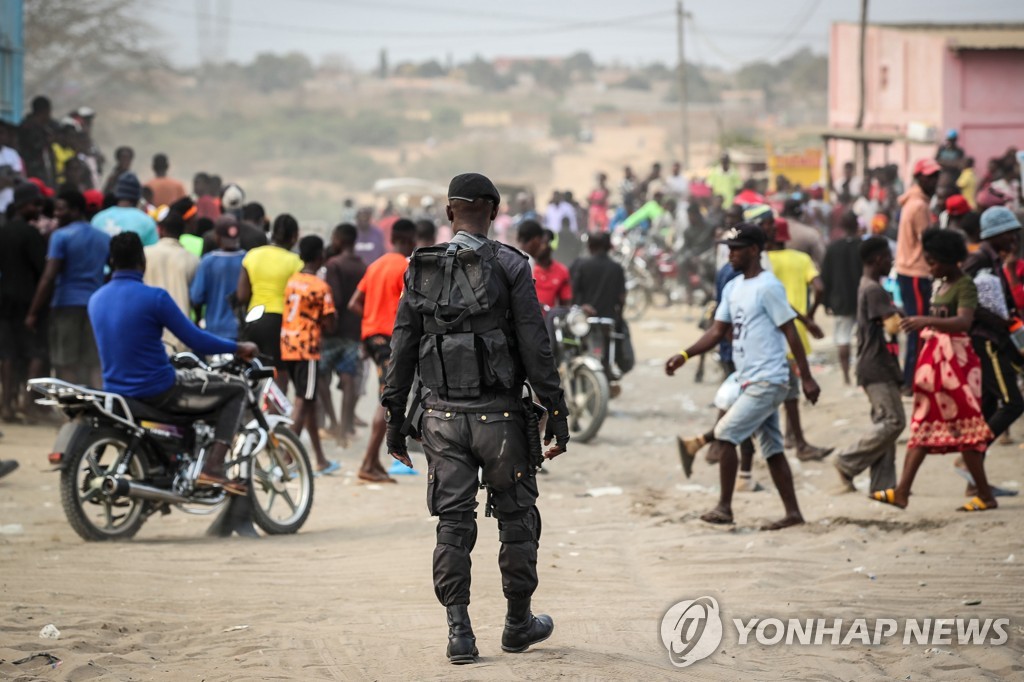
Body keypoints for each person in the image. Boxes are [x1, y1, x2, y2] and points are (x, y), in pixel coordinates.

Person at [383, 173, 569, 664]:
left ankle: (460, 634)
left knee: (453, 524)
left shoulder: (418, 268)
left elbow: (402, 346)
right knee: (517, 519)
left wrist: (393, 420)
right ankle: (517, 624)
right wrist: (557, 411)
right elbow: (536, 345)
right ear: (494, 209)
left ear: (449, 212)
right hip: (502, 418)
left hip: (440, 419)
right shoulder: (511, 264)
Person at [666, 223, 821, 530]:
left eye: (736, 249)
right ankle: (793, 513)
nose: (730, 254)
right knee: (773, 449)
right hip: (748, 378)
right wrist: (685, 355)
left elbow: (789, 330)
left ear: (754, 250)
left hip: (770, 379)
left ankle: (724, 507)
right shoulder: (734, 288)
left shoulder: (768, 286)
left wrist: (806, 377)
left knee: (725, 436)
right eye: (729, 248)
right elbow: (717, 331)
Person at [90, 232, 259, 495]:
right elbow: (196, 339)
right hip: (159, 390)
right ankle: (213, 467)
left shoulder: (96, 299)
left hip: (116, 389)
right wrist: (238, 348)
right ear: (141, 261)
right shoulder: (154, 298)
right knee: (236, 388)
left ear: (111, 261)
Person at [871, 229, 995, 512]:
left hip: (957, 366)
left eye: (935, 261)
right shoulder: (939, 285)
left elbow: (964, 322)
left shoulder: (964, 285)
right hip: (937, 366)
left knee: (964, 429)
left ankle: (985, 495)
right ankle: (902, 491)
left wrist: (925, 321)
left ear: (951, 260)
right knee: (925, 426)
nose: (931, 267)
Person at [753, 208, 830, 461]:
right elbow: (819, 288)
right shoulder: (800, 259)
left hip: (774, 330)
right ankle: (796, 442)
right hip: (793, 330)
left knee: (789, 390)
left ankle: (790, 439)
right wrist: (809, 316)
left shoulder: (762, 263)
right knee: (791, 390)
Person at [832, 237, 904, 495]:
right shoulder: (874, 289)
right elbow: (892, 325)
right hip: (876, 366)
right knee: (893, 422)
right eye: (887, 257)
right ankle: (847, 460)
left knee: (884, 425)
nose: (891, 261)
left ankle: (883, 486)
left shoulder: (869, 286)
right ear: (876, 259)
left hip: (876, 364)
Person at [348, 219, 416, 483]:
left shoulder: (375, 265)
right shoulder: (406, 267)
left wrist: (370, 323)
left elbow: (355, 303)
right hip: (391, 340)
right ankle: (367, 462)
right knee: (387, 400)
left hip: (372, 338)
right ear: (411, 241)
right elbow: (410, 308)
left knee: (385, 397)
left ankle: (373, 461)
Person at [25, 189, 110, 387]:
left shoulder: (60, 237)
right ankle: (100, 411)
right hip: (95, 307)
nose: (56, 213)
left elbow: (49, 276)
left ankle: (72, 411)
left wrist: (33, 312)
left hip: (66, 306)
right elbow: (111, 272)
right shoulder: (103, 238)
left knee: (66, 362)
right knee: (94, 363)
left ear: (75, 210)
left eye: (61, 209)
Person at [961, 207, 1024, 464]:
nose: (1014, 240)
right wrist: (997, 320)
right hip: (985, 338)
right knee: (1012, 403)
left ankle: (975, 479)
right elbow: (966, 301)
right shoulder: (979, 261)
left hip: (998, 336)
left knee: (988, 406)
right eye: (1010, 235)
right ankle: (972, 456)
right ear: (995, 235)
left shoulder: (995, 259)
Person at [281, 235, 339, 475]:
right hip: (308, 347)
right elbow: (330, 322)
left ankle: (320, 459)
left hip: (287, 345)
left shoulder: (292, 281)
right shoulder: (320, 287)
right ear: (321, 257)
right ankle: (286, 457)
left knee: (308, 401)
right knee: (303, 403)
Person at [0, 183, 47, 421]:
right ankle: (27, 404)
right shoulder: (30, 234)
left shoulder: (4, 230)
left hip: (4, 300)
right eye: (35, 204)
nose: (38, 208)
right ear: (22, 205)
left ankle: (6, 405)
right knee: (34, 352)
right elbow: (42, 270)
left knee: (7, 354)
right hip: (27, 302)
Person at [237, 214, 302, 380]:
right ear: (294, 237)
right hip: (279, 321)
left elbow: (242, 295)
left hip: (253, 319)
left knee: (252, 370)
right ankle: (274, 406)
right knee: (279, 373)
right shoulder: (295, 262)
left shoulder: (252, 255)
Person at [895, 158, 941, 392]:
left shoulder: (913, 202)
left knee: (918, 328)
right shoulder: (919, 206)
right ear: (920, 177)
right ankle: (912, 381)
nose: (934, 181)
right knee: (920, 328)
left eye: (935, 176)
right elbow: (928, 243)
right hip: (916, 272)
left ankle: (912, 379)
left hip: (909, 272)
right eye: (930, 176)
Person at [322, 223, 367, 445]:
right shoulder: (362, 266)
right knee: (349, 378)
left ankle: (332, 422)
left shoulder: (333, 264)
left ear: (339, 239)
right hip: (354, 330)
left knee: (322, 378)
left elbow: (335, 299)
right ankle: (345, 427)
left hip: (332, 332)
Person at [144, 212, 200, 353]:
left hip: (151, 331)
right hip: (181, 335)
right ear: (183, 232)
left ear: (161, 230)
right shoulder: (192, 259)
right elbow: (197, 298)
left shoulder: (144, 254)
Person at [822, 211, 864, 385]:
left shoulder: (833, 247)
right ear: (856, 225)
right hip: (861, 298)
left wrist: (826, 301)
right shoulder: (862, 246)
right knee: (863, 338)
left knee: (843, 338)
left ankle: (846, 376)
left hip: (841, 300)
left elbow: (826, 276)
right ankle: (860, 374)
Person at [190, 218, 246, 341]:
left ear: (217, 237)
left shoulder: (208, 261)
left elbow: (196, 297)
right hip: (241, 330)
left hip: (215, 331)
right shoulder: (248, 259)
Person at [91, 172, 159, 246]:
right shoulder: (147, 222)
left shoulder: (98, 219)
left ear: (117, 195)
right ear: (138, 198)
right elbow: (152, 253)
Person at [517, 221, 572, 310]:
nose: (540, 246)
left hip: (549, 321)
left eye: (543, 243)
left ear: (551, 245)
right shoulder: (528, 265)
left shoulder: (562, 271)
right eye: (539, 242)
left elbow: (565, 305)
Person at [17, 95, 54, 187]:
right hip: (32, 172)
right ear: (45, 110)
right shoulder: (28, 127)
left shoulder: (43, 127)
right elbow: (34, 147)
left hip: (43, 172)